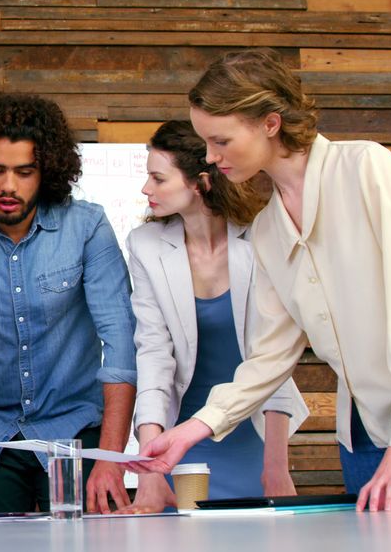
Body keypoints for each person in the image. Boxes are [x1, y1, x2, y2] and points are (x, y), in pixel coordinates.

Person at [125, 49, 391, 512]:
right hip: (363, 436)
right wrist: (192, 429)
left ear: (270, 123)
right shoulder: (269, 228)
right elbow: (270, 354)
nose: (210, 157)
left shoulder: (368, 169)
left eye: (221, 140)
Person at [0, 93, 138, 515]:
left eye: (24, 172)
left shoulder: (88, 227)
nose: (8, 186)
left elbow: (121, 347)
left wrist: (112, 460)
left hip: (77, 433)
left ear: (47, 171)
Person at [121, 121, 309, 513]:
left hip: (254, 435)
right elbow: (153, 355)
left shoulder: (262, 236)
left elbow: (272, 358)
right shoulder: (145, 246)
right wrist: (151, 472)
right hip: (180, 440)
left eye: (158, 178)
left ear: (201, 182)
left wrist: (275, 467)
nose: (146, 190)